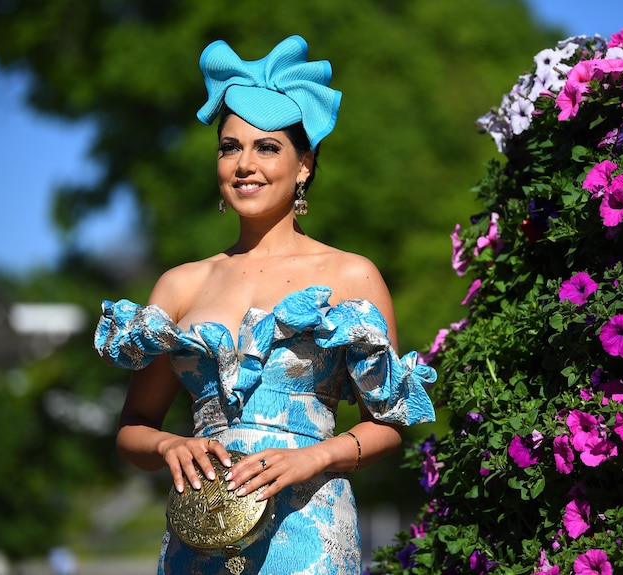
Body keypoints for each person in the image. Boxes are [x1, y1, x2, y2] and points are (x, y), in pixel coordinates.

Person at [93, 35, 437, 575]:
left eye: (267, 147)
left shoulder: (349, 276)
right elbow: (133, 427)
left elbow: (390, 425)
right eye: (230, 147)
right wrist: (167, 447)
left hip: (309, 534)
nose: (244, 164)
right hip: (197, 538)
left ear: (304, 166)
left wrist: (314, 457)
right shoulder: (181, 285)